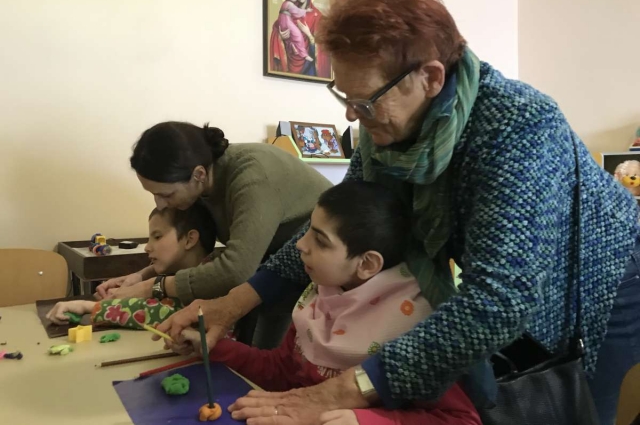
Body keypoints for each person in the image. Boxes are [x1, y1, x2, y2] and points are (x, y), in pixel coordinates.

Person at [159, 0, 640, 425]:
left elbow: (498, 301)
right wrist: (228, 305)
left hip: (606, 280)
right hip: (510, 284)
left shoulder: (519, 125)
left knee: (565, 400)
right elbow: (334, 225)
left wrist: (330, 395)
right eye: (343, 96)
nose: (352, 115)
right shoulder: (381, 130)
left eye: (364, 100)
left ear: (430, 78)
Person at [176, 181, 480, 425]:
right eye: (308, 229)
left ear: (367, 264)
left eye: (320, 241)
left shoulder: (417, 326)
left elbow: (461, 418)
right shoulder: (324, 294)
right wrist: (215, 348)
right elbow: (285, 372)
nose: (300, 245)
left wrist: (364, 420)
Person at [96, 121, 332, 348]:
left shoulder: (252, 177)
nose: (160, 205)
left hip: (318, 273)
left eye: (166, 194)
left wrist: (152, 286)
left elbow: (234, 271)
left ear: (198, 174)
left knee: (265, 357)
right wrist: (140, 277)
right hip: (272, 266)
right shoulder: (202, 182)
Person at [47, 205, 215, 327]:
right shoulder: (184, 270)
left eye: (157, 237)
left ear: (190, 239)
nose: (148, 247)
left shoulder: (210, 280)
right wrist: (130, 288)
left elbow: (160, 312)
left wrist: (87, 306)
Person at [269, 0, 331, 78]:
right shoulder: (289, 12)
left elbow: (324, 49)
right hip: (289, 67)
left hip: (309, 69)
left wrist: (309, 35)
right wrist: (281, 36)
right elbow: (276, 29)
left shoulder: (318, 17)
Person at [278, 0, 314, 74]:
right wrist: (280, 36)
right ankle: (301, 52)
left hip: (307, 68)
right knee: (297, 35)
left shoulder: (316, 15)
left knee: (295, 36)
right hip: (287, 21)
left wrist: (309, 35)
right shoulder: (290, 5)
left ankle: (295, 47)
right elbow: (297, 12)